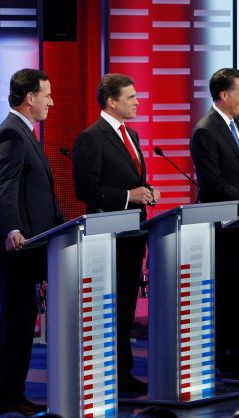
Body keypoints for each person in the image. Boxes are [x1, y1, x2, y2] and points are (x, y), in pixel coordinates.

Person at [73, 73, 160, 394]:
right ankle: (107, 373)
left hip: (133, 234)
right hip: (107, 236)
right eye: (131, 97)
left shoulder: (132, 135)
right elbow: (86, 189)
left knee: (125, 306)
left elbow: (132, 179)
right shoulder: (91, 138)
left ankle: (123, 372)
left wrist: (147, 191)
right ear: (112, 101)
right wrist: (128, 196)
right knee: (110, 309)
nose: (137, 102)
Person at [0, 68, 64, 415]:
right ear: (29, 98)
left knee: (21, 323)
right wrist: (13, 229)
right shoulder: (12, 134)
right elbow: (5, 187)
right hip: (15, 250)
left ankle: (13, 396)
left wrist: (62, 224)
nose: (51, 100)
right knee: (14, 324)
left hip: (31, 248)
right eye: (46, 94)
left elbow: (38, 192)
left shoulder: (25, 131)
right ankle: (3, 400)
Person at [189, 68, 239, 376]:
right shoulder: (205, 131)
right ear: (224, 95)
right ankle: (227, 355)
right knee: (227, 293)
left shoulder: (237, 122)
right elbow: (213, 183)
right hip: (221, 226)